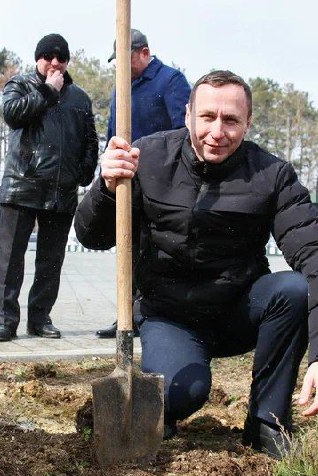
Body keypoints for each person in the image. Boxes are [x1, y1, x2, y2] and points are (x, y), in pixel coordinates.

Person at [75, 71, 318, 456]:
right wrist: (106, 189)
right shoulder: (147, 157)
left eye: (231, 120)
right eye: (207, 117)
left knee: (293, 290)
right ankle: (159, 405)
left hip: (237, 312)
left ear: (248, 122)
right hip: (169, 316)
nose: (217, 132)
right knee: (181, 394)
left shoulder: (271, 175)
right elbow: (93, 236)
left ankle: (266, 422)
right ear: (188, 114)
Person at [0, 33, 98, 342]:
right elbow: (13, 115)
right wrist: (48, 91)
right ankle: (5, 321)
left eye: (61, 57)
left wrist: (84, 171)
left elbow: (90, 139)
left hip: (61, 189)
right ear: (37, 58)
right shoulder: (20, 85)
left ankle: (40, 318)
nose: (55, 62)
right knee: (10, 259)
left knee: (51, 261)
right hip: (22, 185)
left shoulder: (79, 97)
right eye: (48, 56)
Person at [96, 28, 192, 339]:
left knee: (159, 249)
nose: (118, 68)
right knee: (129, 246)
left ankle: (154, 314)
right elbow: (113, 135)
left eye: (123, 59)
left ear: (144, 53)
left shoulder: (171, 81)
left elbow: (184, 131)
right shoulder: (119, 91)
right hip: (130, 180)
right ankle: (127, 315)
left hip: (164, 182)